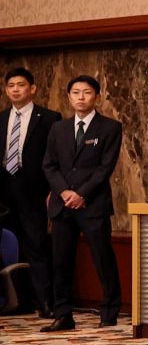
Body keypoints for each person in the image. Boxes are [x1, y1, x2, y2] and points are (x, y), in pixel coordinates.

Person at [41, 75, 123, 330]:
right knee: (61, 260)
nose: (80, 97)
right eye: (75, 92)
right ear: (69, 96)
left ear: (97, 97)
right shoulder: (59, 128)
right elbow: (49, 165)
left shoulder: (110, 127)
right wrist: (65, 192)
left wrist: (81, 194)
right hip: (62, 204)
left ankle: (109, 313)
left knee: (102, 258)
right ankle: (63, 314)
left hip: (93, 204)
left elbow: (104, 168)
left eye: (86, 92)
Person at [0, 68, 58, 316]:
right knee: (8, 247)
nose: (15, 89)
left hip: (34, 190)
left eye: (20, 84)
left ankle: (44, 302)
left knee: (36, 247)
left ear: (32, 88)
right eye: (10, 85)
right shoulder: (1, 118)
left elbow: (56, 157)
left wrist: (54, 189)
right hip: (4, 191)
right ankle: (17, 301)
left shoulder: (49, 118)